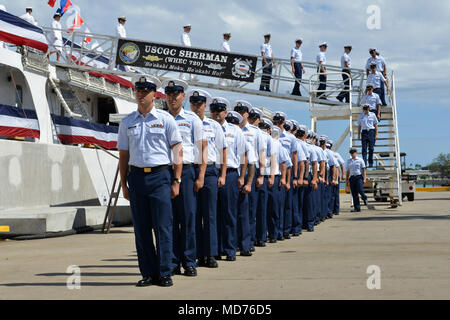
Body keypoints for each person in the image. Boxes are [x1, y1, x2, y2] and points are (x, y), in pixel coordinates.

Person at [117, 75, 183, 288]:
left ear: (154, 94)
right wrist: (123, 183)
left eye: (145, 91)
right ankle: (148, 273)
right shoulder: (127, 122)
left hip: (160, 177)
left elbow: (177, 151)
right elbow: (124, 155)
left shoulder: (166, 119)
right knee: (141, 229)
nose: (141, 94)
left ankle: (165, 272)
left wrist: (177, 180)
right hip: (136, 178)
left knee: (163, 227)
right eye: (138, 91)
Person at [163, 79, 205, 278]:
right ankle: (172, 262)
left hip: (187, 173)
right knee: (168, 219)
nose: (172, 98)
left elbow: (202, 148)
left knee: (188, 218)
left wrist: (201, 176)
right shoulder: (160, 117)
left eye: (176, 94)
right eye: (169, 94)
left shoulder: (192, 119)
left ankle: (189, 261)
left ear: (183, 97)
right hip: (165, 172)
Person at [189, 89, 227, 269]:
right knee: (193, 215)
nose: (196, 107)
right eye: (193, 104)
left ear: (205, 106)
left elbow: (222, 151)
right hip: (190, 169)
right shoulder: (186, 122)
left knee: (210, 215)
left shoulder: (214, 126)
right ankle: (196, 254)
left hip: (210, 171)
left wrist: (223, 174)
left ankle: (210, 254)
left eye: (199, 104)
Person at [210, 99, 246, 262]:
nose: (216, 114)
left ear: (225, 112)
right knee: (213, 214)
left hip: (230, 174)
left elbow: (243, 155)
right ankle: (215, 249)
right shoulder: (207, 127)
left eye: (219, 110)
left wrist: (242, 176)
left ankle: (230, 248)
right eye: (214, 110)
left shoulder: (235, 130)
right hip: (211, 172)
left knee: (229, 213)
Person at [234, 102, 267, 253]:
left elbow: (261, 154)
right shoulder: (230, 129)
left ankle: (249, 240)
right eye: (237, 111)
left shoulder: (255, 132)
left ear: (247, 114)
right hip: (233, 171)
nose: (240, 114)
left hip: (250, 171)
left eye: (243, 112)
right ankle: (235, 241)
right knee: (233, 210)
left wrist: (261, 176)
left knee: (250, 209)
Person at [273, 114, 298, 240]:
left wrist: (295, 176)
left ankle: (285, 230)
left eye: (280, 122)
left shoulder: (290, 137)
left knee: (287, 204)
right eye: (275, 122)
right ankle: (275, 231)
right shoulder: (270, 136)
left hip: (287, 171)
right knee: (275, 205)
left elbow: (294, 157)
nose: (277, 124)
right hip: (272, 171)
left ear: (284, 122)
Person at [267, 126, 288, 243]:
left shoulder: (278, 145)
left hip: (275, 177)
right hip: (264, 177)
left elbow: (283, 163)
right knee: (265, 209)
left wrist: (283, 178)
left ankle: (275, 233)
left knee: (275, 208)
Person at [256, 117, 275, 246]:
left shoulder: (268, 139)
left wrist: (271, 176)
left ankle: (261, 236)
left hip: (263, 174)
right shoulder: (253, 134)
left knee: (262, 208)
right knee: (252, 210)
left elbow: (272, 158)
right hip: (251, 172)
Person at [303, 130, 319, 232]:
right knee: (301, 201)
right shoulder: (299, 145)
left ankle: (310, 223)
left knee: (309, 201)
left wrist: (314, 179)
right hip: (299, 175)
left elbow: (314, 164)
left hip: (308, 175)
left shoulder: (312, 148)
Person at [327, 141, 346, 216]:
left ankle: (336, 209)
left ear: (331, 147)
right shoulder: (326, 153)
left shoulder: (336, 154)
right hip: (330, 175)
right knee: (331, 195)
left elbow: (341, 165)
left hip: (335, 176)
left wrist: (343, 174)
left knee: (335, 194)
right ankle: (331, 210)